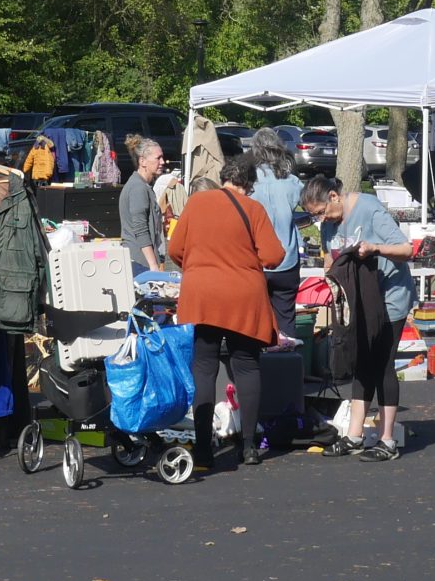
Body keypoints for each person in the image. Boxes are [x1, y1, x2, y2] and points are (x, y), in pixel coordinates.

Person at [168, 156, 286, 471]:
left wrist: (199, 268)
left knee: (204, 368)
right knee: (246, 368)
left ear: (224, 178)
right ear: (248, 184)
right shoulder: (254, 210)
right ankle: (248, 447)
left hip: (202, 296)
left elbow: (174, 249)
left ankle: (205, 449)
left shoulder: (196, 204)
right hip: (244, 297)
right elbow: (274, 256)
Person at [302, 173, 416, 461]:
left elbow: (406, 249)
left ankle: (387, 440)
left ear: (333, 197)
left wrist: (375, 248)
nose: (322, 221)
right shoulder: (328, 223)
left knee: (383, 363)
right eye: (316, 217)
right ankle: (354, 435)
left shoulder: (369, 209)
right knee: (360, 360)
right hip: (361, 302)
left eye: (322, 213)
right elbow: (330, 257)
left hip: (390, 296)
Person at [247, 130, 306, 338]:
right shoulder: (292, 181)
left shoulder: (249, 183)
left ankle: (259, 364)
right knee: (286, 318)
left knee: (255, 318)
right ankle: (287, 363)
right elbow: (309, 208)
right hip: (287, 258)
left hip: (257, 259)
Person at [119, 138, 169, 272]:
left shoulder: (143, 186)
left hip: (142, 261)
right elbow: (140, 229)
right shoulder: (138, 188)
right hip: (139, 263)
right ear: (142, 161)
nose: (162, 162)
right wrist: (153, 265)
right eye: (158, 158)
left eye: (162, 158)